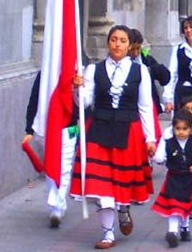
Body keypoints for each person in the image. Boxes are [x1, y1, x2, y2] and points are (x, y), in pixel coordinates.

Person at [70, 25, 156, 250]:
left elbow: (145, 106)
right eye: (114, 39)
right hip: (99, 130)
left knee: (122, 184)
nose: (117, 44)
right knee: (103, 186)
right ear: (108, 43)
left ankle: (124, 207)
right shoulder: (93, 70)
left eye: (122, 40)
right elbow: (84, 103)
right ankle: (108, 233)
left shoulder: (141, 72)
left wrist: (150, 138)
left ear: (129, 45)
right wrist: (77, 89)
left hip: (129, 131)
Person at [22, 66, 84, 228]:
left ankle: (57, 205)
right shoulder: (44, 75)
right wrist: (29, 129)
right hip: (48, 127)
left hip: (69, 127)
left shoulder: (78, 73)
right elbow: (34, 100)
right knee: (51, 166)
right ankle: (57, 202)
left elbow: (85, 102)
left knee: (65, 166)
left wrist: (78, 87)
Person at [151, 108, 192, 248]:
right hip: (173, 178)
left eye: (184, 128)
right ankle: (172, 231)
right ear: (173, 128)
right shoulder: (168, 142)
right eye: (177, 128)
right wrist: (154, 155)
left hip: (189, 179)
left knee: (185, 205)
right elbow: (160, 157)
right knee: (173, 205)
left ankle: (185, 227)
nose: (181, 132)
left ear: (191, 129)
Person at [129, 28, 171, 143]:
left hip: (149, 105)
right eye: (132, 49)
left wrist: (154, 69)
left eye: (138, 48)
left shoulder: (146, 60)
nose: (135, 53)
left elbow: (165, 78)